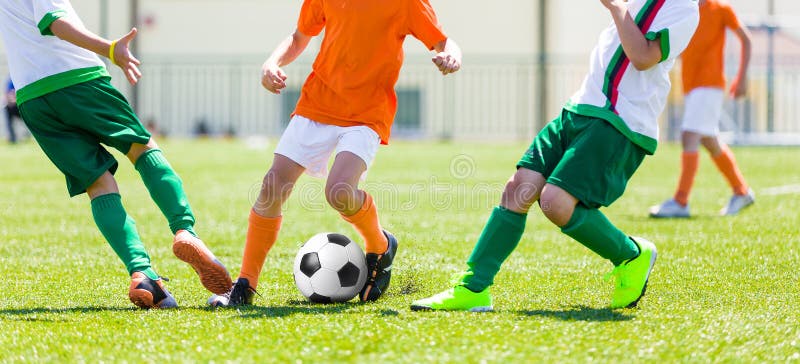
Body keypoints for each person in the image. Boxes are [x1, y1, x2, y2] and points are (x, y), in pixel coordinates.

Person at [411, 0, 699, 312]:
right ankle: (472, 288)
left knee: (555, 202)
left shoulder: (685, 8)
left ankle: (630, 254)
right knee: (518, 187)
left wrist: (616, 7)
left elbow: (643, 57)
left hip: (619, 121)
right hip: (580, 108)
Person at [208, 0, 462, 306]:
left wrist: (452, 56)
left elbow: (443, 42)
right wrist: (272, 62)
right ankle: (245, 285)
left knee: (339, 191)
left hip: (366, 114)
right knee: (271, 187)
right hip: (317, 104)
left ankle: (380, 245)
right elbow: (300, 36)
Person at [0, 0, 232, 309]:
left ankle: (143, 274)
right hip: (78, 79)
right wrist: (110, 49)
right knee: (142, 148)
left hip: (32, 99)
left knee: (98, 183)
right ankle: (184, 229)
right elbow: (55, 22)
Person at [649, 0, 754, 218]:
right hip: (692, 85)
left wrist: (742, 77)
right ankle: (741, 191)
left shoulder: (720, 9)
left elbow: (746, 38)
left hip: (710, 84)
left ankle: (681, 201)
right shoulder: (685, 8)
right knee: (708, 139)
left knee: (689, 136)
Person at [4, 78, 21, 143]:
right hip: (12, 106)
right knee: (7, 109)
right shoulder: (10, 81)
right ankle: (12, 138)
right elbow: (8, 93)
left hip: (20, 104)